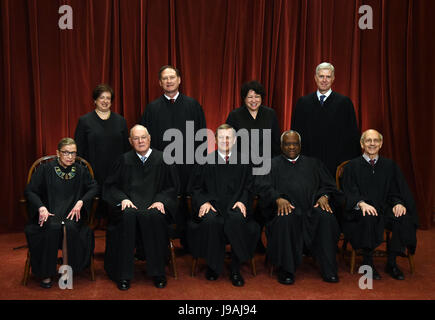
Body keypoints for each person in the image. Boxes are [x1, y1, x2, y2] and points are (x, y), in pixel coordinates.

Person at [257, 130, 341, 284]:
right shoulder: (269, 164)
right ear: (281, 146)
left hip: (311, 209)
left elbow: (329, 186)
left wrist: (324, 196)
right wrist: (277, 198)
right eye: (287, 144)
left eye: (295, 143)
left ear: (300, 145)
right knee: (285, 218)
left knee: (326, 218)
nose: (291, 147)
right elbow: (262, 187)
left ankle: (329, 270)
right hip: (286, 211)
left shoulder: (314, 163)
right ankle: (286, 270)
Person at [139, 65, 207, 251]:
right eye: (165, 78)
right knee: (162, 202)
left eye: (172, 77)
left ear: (179, 80)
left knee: (187, 203)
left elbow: (201, 136)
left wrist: (199, 163)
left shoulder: (193, 105)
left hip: (188, 164)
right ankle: (160, 244)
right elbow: (145, 140)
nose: (169, 81)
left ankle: (189, 244)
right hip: (161, 166)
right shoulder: (152, 108)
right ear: (160, 83)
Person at [102, 125, 177, 290]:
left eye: (143, 137)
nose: (140, 141)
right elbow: (111, 187)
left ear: (149, 138)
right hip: (130, 207)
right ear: (130, 141)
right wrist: (122, 199)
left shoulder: (163, 159)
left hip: (153, 206)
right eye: (136, 138)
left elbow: (171, 187)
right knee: (127, 216)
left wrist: (161, 201)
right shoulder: (123, 160)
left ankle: (158, 273)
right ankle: (123, 274)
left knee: (156, 215)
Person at [187, 124, 260, 287]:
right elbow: (195, 188)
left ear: (234, 140)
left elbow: (250, 187)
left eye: (228, 138)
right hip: (213, 206)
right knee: (211, 221)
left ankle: (235, 269)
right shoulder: (205, 160)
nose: (225, 141)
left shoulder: (244, 161)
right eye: (221, 138)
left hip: (235, 205)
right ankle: (213, 267)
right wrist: (203, 202)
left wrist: (242, 201)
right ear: (215, 140)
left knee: (236, 220)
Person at [340, 129, 418, 280]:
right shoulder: (352, 167)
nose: (372, 144)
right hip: (362, 210)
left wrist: (398, 203)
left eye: (376, 140)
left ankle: (392, 262)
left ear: (381, 144)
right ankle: (368, 263)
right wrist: (361, 203)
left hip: (384, 207)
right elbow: (348, 191)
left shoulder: (390, 166)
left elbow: (396, 190)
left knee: (403, 217)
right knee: (367, 216)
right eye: (368, 140)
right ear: (362, 143)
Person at [24, 138, 98, 288]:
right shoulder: (45, 169)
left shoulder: (81, 170)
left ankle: (66, 271)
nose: (70, 157)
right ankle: (46, 273)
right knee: (53, 227)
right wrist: (41, 207)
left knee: (67, 227)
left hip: (72, 214)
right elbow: (30, 191)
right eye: (66, 153)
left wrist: (81, 201)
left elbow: (94, 188)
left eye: (73, 153)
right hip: (50, 213)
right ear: (58, 153)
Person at [226, 81, 281, 253]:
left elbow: (276, 141)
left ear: (262, 98)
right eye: (249, 96)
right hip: (242, 167)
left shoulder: (270, 114)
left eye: (257, 96)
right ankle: (248, 238)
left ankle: (258, 236)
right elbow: (229, 142)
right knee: (246, 201)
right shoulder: (235, 115)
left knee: (266, 202)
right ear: (244, 98)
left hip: (266, 166)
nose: (253, 100)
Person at [291, 62, 360, 177]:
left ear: (333, 79)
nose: (324, 80)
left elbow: (352, 137)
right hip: (308, 164)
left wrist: (347, 164)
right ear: (315, 78)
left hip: (335, 164)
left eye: (328, 77)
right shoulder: (303, 103)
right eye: (321, 76)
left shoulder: (344, 103)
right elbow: (296, 135)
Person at [74, 84, 130, 225]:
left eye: (108, 98)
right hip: (92, 172)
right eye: (101, 98)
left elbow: (126, 149)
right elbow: (79, 150)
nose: (105, 101)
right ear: (95, 100)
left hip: (116, 173)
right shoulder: (84, 121)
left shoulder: (121, 121)